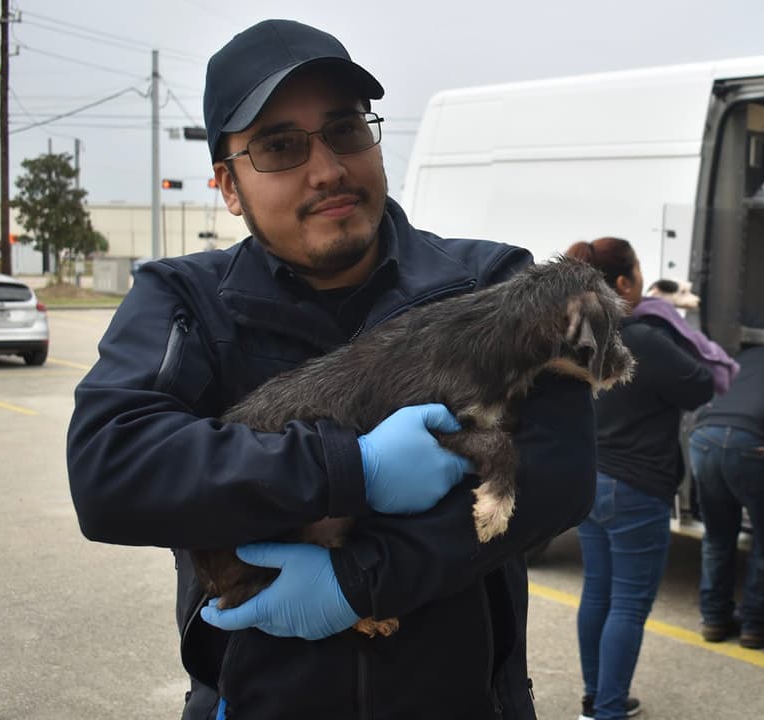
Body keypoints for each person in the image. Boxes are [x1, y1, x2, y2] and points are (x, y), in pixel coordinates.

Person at [66, 19, 595, 720]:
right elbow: (113, 469)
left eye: (346, 130)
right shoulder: (185, 302)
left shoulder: (488, 281)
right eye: (281, 146)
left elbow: (557, 473)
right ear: (227, 185)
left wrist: (360, 580)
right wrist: (352, 467)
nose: (328, 169)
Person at [565, 237, 716, 720]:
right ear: (625, 283)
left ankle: (596, 699)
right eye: (639, 273)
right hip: (638, 486)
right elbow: (702, 386)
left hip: (589, 480)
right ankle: (608, 709)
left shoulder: (577, 333)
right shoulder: (645, 337)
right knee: (628, 604)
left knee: (598, 594)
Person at [688, 345, 764, 649]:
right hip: (758, 444)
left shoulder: (746, 355)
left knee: (717, 537)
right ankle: (757, 625)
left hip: (704, 436)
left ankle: (715, 619)